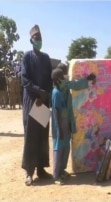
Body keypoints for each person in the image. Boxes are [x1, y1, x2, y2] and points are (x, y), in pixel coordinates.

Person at [52, 63, 96, 184]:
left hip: (66, 123)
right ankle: (56, 175)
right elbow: (56, 112)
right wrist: (60, 129)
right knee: (58, 148)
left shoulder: (64, 86)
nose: (65, 77)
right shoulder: (56, 92)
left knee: (65, 147)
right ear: (57, 79)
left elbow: (75, 84)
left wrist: (87, 80)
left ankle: (62, 171)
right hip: (59, 125)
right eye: (63, 76)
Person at [21, 24, 53, 186]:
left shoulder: (46, 58)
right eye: (36, 38)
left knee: (42, 135)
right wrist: (38, 92)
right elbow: (25, 80)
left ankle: (41, 169)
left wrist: (45, 93)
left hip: (43, 101)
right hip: (31, 101)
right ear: (31, 40)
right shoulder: (26, 57)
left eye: (40, 38)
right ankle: (29, 171)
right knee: (31, 136)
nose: (39, 41)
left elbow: (50, 79)